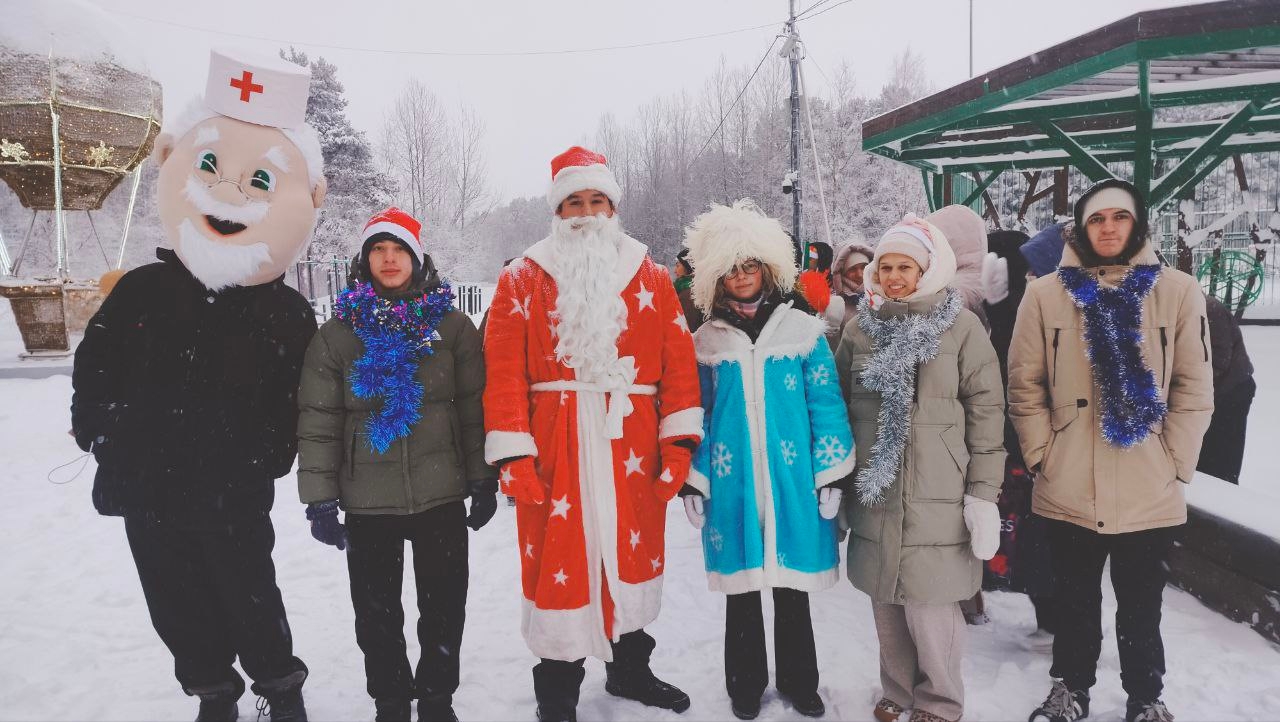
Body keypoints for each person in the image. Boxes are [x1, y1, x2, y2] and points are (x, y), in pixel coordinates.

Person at [71, 48, 326, 722]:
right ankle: (212, 690)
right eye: (209, 168)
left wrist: (269, 453)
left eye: (259, 181)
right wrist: (100, 430)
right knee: (173, 599)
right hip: (146, 480)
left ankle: (279, 685)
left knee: (250, 593)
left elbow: (299, 397)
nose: (228, 193)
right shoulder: (142, 290)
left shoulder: (285, 311)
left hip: (231, 485)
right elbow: (95, 363)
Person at [482, 146, 703, 722]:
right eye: (574, 202)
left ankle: (630, 670)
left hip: (632, 444)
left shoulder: (651, 276)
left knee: (630, 556)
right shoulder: (521, 278)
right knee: (561, 564)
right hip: (555, 445)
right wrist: (514, 454)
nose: (586, 213)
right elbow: (502, 371)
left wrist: (678, 443)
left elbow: (679, 365)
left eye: (596, 200)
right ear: (558, 210)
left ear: (613, 207)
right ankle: (557, 694)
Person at [1009, 179, 1214, 722]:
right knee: (1074, 600)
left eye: (1119, 217)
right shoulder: (1044, 294)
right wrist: (1043, 456)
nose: (1108, 228)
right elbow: (1024, 386)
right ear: (1081, 229)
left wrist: (1174, 462)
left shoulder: (1177, 291)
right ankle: (1070, 690)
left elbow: (1194, 388)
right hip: (1068, 481)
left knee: (1142, 605)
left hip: (1149, 484)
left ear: (1137, 224)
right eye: (1096, 219)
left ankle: (1146, 697)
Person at [296, 208, 494, 722]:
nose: (389, 259)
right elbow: (319, 420)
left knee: (444, 607)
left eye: (399, 249)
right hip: (368, 501)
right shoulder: (338, 335)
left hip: (441, 495)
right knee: (377, 614)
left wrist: (482, 478)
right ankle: (390, 701)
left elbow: (474, 409)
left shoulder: (452, 328)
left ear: (417, 258)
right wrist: (320, 499)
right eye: (378, 250)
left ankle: (436, 699)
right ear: (365, 259)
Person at [680, 200, 855, 721]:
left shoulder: (802, 330)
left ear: (769, 268)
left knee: (791, 587)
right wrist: (694, 479)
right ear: (716, 276)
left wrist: (830, 473)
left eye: (750, 265)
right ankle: (745, 683)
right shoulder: (706, 341)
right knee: (741, 590)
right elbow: (697, 412)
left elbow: (825, 402)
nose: (741, 276)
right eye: (731, 268)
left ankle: (801, 681)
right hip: (732, 481)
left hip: (791, 479)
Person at [836, 214, 1006, 722]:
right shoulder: (859, 331)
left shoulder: (962, 327)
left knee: (931, 604)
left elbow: (987, 412)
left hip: (940, 490)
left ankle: (940, 699)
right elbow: (839, 407)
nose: (893, 277)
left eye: (904, 267)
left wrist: (983, 493)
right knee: (886, 599)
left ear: (927, 270)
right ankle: (899, 689)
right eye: (885, 267)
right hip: (876, 487)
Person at [979, 229, 1058, 650]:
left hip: (1032, 442)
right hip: (1019, 440)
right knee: (1031, 536)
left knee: (1039, 538)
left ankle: (1055, 619)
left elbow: (1018, 366)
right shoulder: (1012, 307)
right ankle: (1051, 616)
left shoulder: (1033, 306)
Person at [1196, 294, 1255, 484]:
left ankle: (1225, 491)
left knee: (1223, 460)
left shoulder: (1209, 310)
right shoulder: (1187, 309)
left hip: (1232, 391)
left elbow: (1219, 360)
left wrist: (1183, 386)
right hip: (1209, 393)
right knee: (1203, 458)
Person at [673, 247, 705, 332]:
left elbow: (686, 328)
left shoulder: (688, 293)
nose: (675, 270)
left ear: (688, 268)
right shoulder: (691, 288)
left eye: (678, 266)